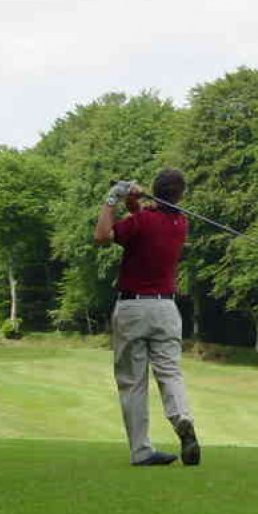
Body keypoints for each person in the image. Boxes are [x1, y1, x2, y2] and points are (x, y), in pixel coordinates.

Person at [94, 169, 200, 467]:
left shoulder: (141, 222)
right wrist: (134, 203)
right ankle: (182, 419)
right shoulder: (181, 223)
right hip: (165, 309)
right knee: (169, 372)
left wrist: (112, 199)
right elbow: (146, 225)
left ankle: (141, 450)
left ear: (155, 190)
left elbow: (102, 236)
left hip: (132, 309)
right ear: (180, 195)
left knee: (132, 382)